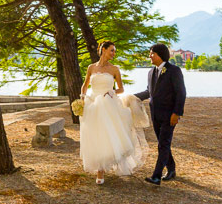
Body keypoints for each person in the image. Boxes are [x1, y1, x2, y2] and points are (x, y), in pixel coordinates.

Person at [78, 41, 150, 185]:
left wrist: (112, 92)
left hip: (109, 103)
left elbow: (121, 89)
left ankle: (102, 168)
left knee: (108, 133)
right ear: (103, 50)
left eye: (114, 51)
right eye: (111, 50)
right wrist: (82, 98)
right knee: (95, 135)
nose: (114, 53)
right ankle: (99, 166)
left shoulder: (115, 69)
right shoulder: (91, 67)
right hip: (92, 104)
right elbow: (85, 85)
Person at [134, 43, 186, 184]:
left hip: (170, 115)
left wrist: (177, 113)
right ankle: (172, 169)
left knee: (163, 144)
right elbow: (148, 92)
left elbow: (181, 93)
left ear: (160, 55)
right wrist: (131, 98)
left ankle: (156, 176)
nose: (150, 56)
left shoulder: (174, 71)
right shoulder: (151, 72)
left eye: (152, 53)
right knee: (163, 143)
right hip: (155, 115)